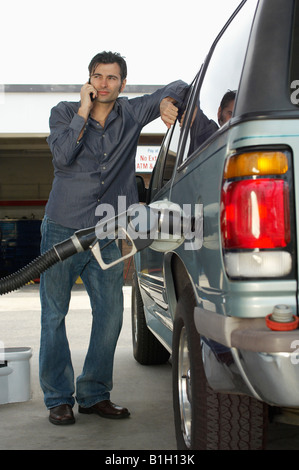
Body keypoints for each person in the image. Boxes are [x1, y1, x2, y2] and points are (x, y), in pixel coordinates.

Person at [40, 51, 189, 425]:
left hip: (108, 231)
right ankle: (58, 398)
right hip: (62, 227)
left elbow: (180, 85)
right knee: (53, 314)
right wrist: (83, 112)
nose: (104, 84)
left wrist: (172, 102)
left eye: (111, 77)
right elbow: (62, 157)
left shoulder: (133, 112)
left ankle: (93, 394)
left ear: (123, 82)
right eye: (97, 77)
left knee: (110, 315)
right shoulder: (63, 112)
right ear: (88, 81)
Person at [188, 90, 236, 155]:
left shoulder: (246, 153)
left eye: (239, 116)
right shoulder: (204, 131)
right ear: (219, 112)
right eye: (231, 114)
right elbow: (187, 91)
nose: (235, 120)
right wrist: (193, 107)